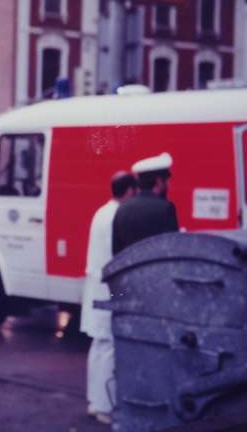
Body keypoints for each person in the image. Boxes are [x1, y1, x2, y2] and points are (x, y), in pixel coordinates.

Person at [81, 171, 138, 425]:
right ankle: (104, 406)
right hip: (111, 287)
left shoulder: (101, 212)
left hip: (96, 285)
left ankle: (94, 400)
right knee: (110, 346)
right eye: (134, 191)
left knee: (98, 345)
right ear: (128, 191)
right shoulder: (118, 215)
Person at [112, 152, 179, 255]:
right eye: (166, 181)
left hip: (128, 270)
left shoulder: (122, 209)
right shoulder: (165, 208)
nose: (168, 185)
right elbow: (172, 248)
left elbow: (116, 251)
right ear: (158, 182)